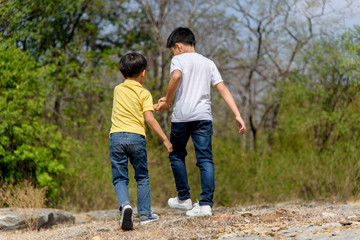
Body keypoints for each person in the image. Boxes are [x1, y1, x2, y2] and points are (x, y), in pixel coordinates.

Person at [156, 27, 246, 217]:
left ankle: (184, 198)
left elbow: (176, 76)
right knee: (205, 158)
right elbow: (222, 89)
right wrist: (237, 114)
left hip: (182, 116)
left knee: (176, 154)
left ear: (178, 46)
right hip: (203, 117)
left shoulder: (178, 59)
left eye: (172, 50)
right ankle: (205, 204)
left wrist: (168, 100)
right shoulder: (208, 63)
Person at [109, 52, 173, 230]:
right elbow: (148, 119)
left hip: (116, 137)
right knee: (142, 177)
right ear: (143, 73)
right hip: (136, 137)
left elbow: (132, 108)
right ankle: (145, 215)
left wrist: (154, 107)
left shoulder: (118, 89)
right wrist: (165, 140)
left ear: (122, 74)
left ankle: (125, 205)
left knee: (120, 177)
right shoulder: (144, 93)